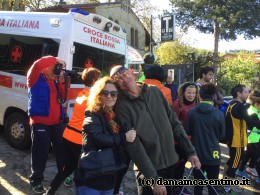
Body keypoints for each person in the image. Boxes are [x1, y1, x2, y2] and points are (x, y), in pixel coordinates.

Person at [110, 65, 201, 195]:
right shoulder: (121, 106)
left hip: (171, 163)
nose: (123, 79)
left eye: (124, 74)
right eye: (117, 78)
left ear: (131, 72)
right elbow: (133, 145)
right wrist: (153, 180)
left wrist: (191, 152)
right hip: (147, 170)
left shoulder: (154, 91)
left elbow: (175, 123)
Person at [74, 76, 137, 195]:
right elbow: (99, 138)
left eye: (113, 93)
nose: (109, 96)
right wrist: (124, 138)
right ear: (98, 95)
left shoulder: (117, 116)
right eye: (105, 92)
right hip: (91, 177)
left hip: (109, 176)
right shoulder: (92, 113)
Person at [44, 67, 101, 195]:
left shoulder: (82, 93)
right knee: (84, 169)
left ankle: (51, 191)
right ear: (94, 80)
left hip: (68, 135)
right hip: (78, 139)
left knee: (68, 167)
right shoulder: (92, 99)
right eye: (99, 78)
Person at [27, 56, 67, 193]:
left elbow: (62, 98)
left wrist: (62, 82)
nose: (55, 69)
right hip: (40, 123)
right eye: (53, 66)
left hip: (57, 123)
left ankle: (64, 173)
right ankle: (36, 180)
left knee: (62, 151)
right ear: (45, 67)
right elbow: (37, 64)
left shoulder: (55, 81)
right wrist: (55, 59)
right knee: (40, 152)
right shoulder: (35, 78)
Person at [185, 83, 225, 195]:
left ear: (199, 96)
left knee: (198, 184)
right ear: (213, 97)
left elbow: (187, 131)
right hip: (214, 154)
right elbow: (222, 135)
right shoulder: (219, 114)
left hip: (197, 154)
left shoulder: (192, 112)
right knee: (213, 185)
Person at [223, 84, 260, 193]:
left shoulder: (231, 104)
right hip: (237, 140)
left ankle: (224, 184)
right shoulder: (239, 106)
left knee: (230, 162)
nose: (247, 94)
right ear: (238, 93)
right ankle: (226, 188)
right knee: (234, 165)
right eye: (245, 92)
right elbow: (251, 122)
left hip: (232, 139)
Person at [172, 82, 199, 194]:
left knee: (183, 165)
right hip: (179, 141)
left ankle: (179, 186)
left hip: (191, 141)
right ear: (183, 92)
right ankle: (174, 187)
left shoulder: (197, 102)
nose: (191, 95)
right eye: (189, 92)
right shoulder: (177, 104)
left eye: (193, 93)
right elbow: (173, 123)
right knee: (177, 165)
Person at [236, 90, 260, 180]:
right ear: (257, 104)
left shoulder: (252, 110)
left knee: (247, 156)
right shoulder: (253, 113)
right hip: (253, 139)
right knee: (255, 157)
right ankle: (250, 169)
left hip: (252, 138)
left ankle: (241, 170)